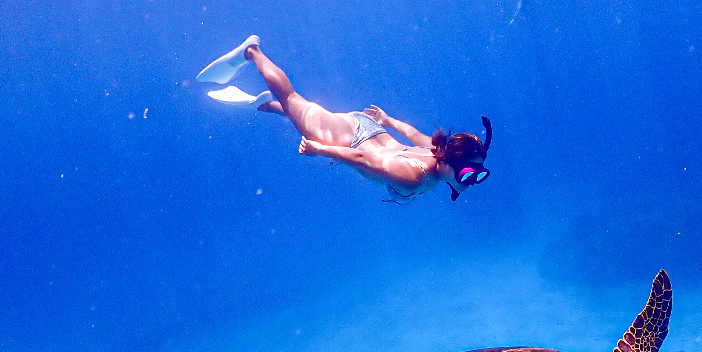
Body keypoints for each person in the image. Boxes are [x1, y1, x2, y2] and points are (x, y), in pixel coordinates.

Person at [197, 36, 491, 202]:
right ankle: (252, 52)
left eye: (476, 174)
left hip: (368, 129)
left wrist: (388, 121)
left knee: (299, 110)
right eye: (468, 174)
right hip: (350, 139)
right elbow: (362, 158)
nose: (473, 181)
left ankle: (262, 105)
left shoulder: (436, 152)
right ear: (449, 161)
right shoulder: (414, 177)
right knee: (294, 100)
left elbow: (413, 134)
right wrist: (320, 149)